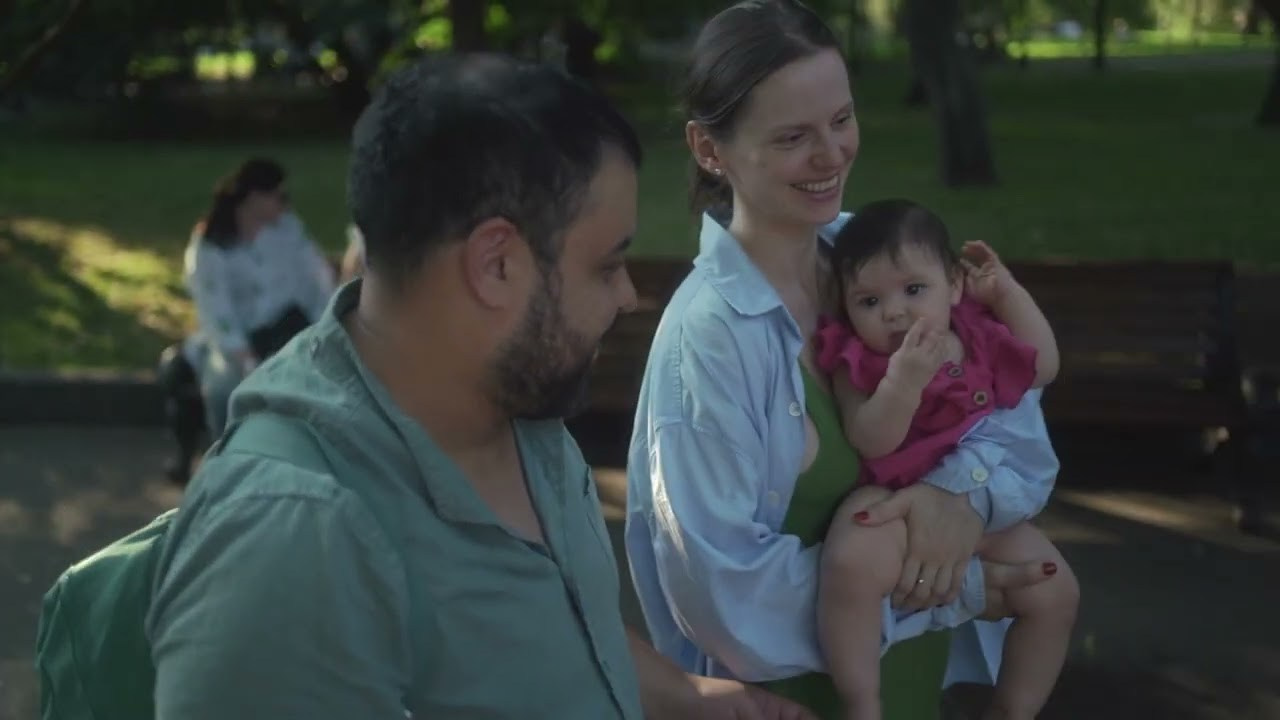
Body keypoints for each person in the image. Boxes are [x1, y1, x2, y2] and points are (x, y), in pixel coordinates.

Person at [145, 52, 816, 720]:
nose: (627, 295)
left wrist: (688, 698)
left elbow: (546, 633)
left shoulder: (517, 404)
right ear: (495, 266)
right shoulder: (290, 542)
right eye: (606, 265)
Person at [624, 1, 1065, 718]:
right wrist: (958, 588)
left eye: (841, 119)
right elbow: (725, 597)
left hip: (915, 692)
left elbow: (1013, 414)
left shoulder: (882, 257)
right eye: (794, 136)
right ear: (710, 150)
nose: (831, 155)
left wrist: (964, 497)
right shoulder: (707, 340)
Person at [813, 199, 1078, 720]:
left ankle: (1012, 710)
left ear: (954, 286)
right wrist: (903, 382)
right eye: (869, 301)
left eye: (914, 290)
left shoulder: (977, 331)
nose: (894, 312)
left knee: (1055, 588)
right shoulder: (856, 358)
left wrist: (1007, 293)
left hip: (981, 503)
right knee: (850, 562)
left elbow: (1043, 365)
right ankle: (862, 702)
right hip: (896, 493)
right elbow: (871, 439)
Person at [181, 158, 336, 439]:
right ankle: (223, 453)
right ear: (255, 198)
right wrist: (245, 356)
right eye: (280, 197)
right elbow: (215, 310)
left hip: (289, 329)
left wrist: (321, 328)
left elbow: (317, 278)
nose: (286, 205)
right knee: (223, 389)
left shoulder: (288, 229)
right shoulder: (211, 244)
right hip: (236, 342)